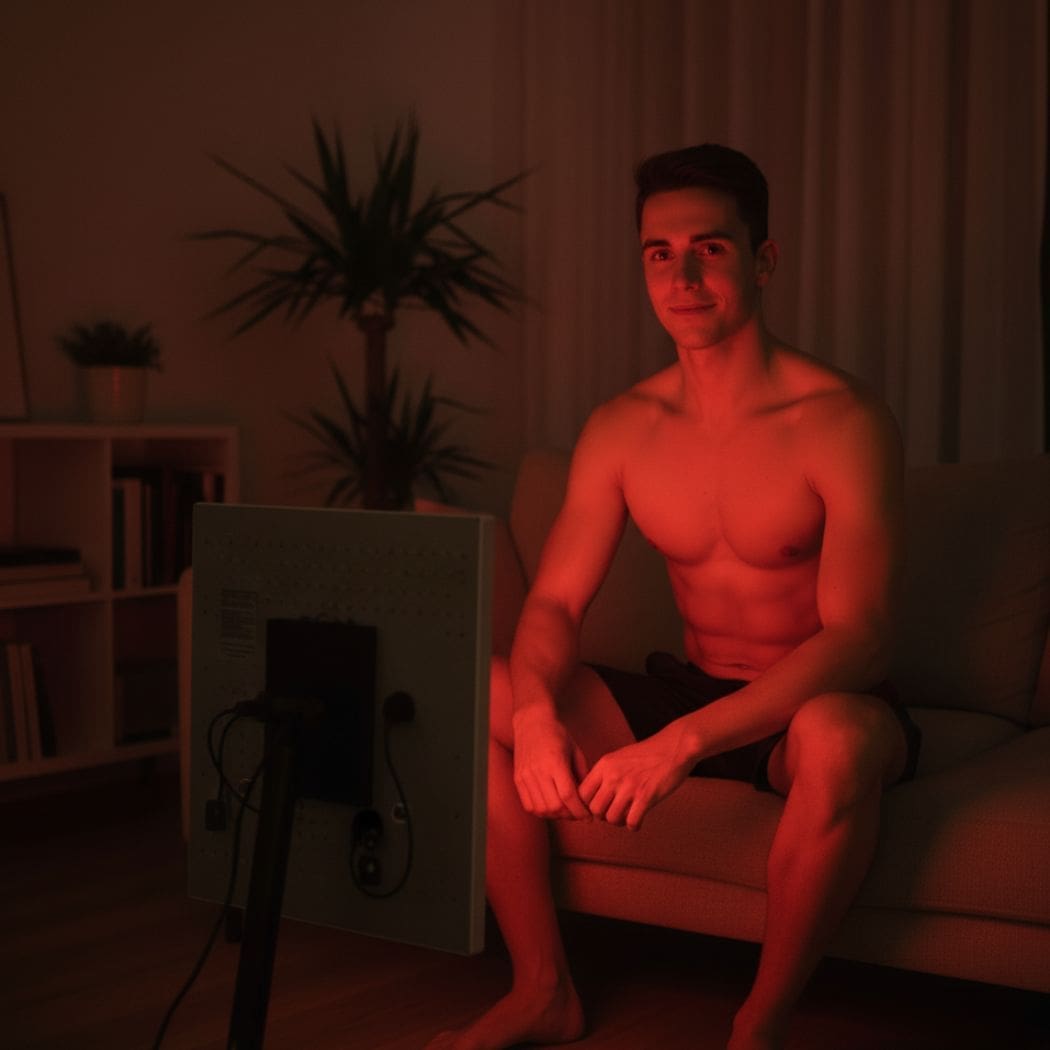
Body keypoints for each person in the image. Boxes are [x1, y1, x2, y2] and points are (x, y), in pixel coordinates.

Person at [425, 144, 922, 1050]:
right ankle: (544, 988)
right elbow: (554, 609)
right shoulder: (623, 427)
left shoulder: (843, 420)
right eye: (660, 252)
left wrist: (680, 746)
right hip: (692, 682)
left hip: (807, 703)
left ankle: (756, 1027)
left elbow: (862, 636)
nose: (682, 275)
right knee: (479, 692)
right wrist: (536, 713)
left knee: (841, 740)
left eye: (711, 248)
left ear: (762, 260)